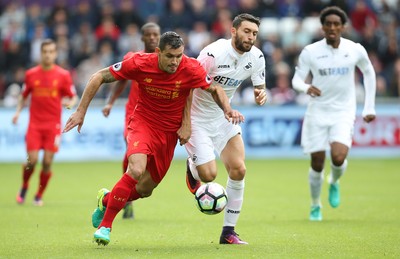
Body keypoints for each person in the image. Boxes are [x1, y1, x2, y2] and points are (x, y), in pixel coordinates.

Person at [63, 31, 243, 246]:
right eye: (169, 56)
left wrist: (227, 109)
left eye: (179, 56)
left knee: (145, 190)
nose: (175, 61)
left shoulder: (191, 67)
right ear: (158, 52)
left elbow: (213, 88)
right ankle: (106, 226)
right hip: (143, 123)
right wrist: (81, 111)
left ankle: (106, 200)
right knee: (136, 169)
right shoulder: (139, 63)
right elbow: (99, 76)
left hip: (168, 133)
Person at [184, 13, 267, 245]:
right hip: (198, 119)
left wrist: (261, 94)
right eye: (246, 31)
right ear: (233, 31)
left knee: (239, 169)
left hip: (223, 118)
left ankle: (228, 232)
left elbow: (260, 86)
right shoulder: (213, 53)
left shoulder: (257, 57)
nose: (251, 37)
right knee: (208, 175)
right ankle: (193, 167)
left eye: (254, 34)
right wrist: (185, 122)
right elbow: (188, 85)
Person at [291, 6, 376, 221]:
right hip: (317, 111)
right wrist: (306, 88)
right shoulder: (311, 52)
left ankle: (334, 182)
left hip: (343, 111)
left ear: (343, 27)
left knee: (338, 157)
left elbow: (368, 72)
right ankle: (315, 205)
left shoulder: (354, 49)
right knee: (317, 163)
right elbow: (296, 80)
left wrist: (369, 106)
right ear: (322, 27)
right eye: (328, 24)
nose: (332, 27)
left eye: (336, 24)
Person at [102, 22, 161, 220]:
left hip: (155, 119)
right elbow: (121, 81)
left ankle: (124, 195)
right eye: (149, 35)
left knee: (144, 163)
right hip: (133, 116)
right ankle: (126, 200)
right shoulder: (132, 58)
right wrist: (110, 103)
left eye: (156, 35)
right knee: (132, 155)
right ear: (142, 38)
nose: (152, 38)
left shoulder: (166, 60)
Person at [12, 39, 77, 206]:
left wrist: (69, 104)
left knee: (47, 162)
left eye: (51, 52)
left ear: (55, 54)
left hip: (53, 126)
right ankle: (24, 185)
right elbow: (23, 95)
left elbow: (73, 96)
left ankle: (38, 194)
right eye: (45, 52)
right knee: (31, 161)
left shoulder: (63, 75)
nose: (48, 55)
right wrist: (18, 112)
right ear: (40, 54)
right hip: (34, 124)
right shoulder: (31, 74)